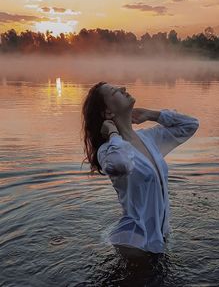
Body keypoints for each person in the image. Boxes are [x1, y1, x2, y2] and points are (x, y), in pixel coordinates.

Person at [81, 81, 199, 259]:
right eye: (115, 92)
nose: (123, 89)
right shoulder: (107, 150)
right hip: (135, 244)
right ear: (108, 112)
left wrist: (152, 114)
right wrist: (113, 134)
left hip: (159, 237)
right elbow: (121, 163)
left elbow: (190, 125)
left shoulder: (148, 138)